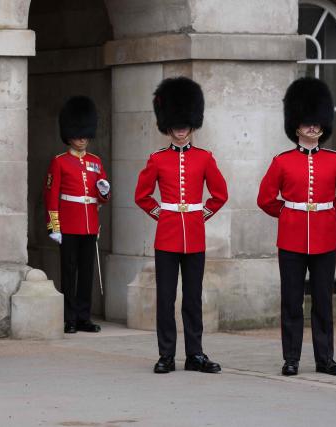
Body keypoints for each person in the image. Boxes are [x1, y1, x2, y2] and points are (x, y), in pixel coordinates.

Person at [257, 77, 336, 376]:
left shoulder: (335, 161)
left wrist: (326, 212)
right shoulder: (282, 162)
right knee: (291, 302)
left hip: (324, 239)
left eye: (317, 122)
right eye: (307, 121)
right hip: (291, 239)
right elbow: (265, 199)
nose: (313, 127)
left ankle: (325, 358)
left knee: (323, 303)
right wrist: (289, 214)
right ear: (296, 125)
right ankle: (291, 358)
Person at [135, 77, 228, 374]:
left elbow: (219, 194)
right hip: (167, 236)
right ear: (168, 125)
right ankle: (166, 355)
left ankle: (195, 354)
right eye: (175, 124)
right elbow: (142, 195)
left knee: (192, 299)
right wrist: (161, 213)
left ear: (191, 124)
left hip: (195, 237)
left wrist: (202, 213)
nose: (180, 129)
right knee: (165, 299)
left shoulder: (204, 158)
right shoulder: (157, 159)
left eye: (184, 123)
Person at [44, 96, 111, 334]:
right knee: (69, 272)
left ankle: (84, 316)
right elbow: (52, 196)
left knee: (86, 273)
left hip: (90, 224)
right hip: (69, 224)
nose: (82, 139)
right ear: (69, 134)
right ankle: (69, 317)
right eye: (78, 134)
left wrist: (104, 192)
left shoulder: (95, 162)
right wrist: (55, 226)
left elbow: (101, 195)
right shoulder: (60, 162)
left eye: (85, 134)